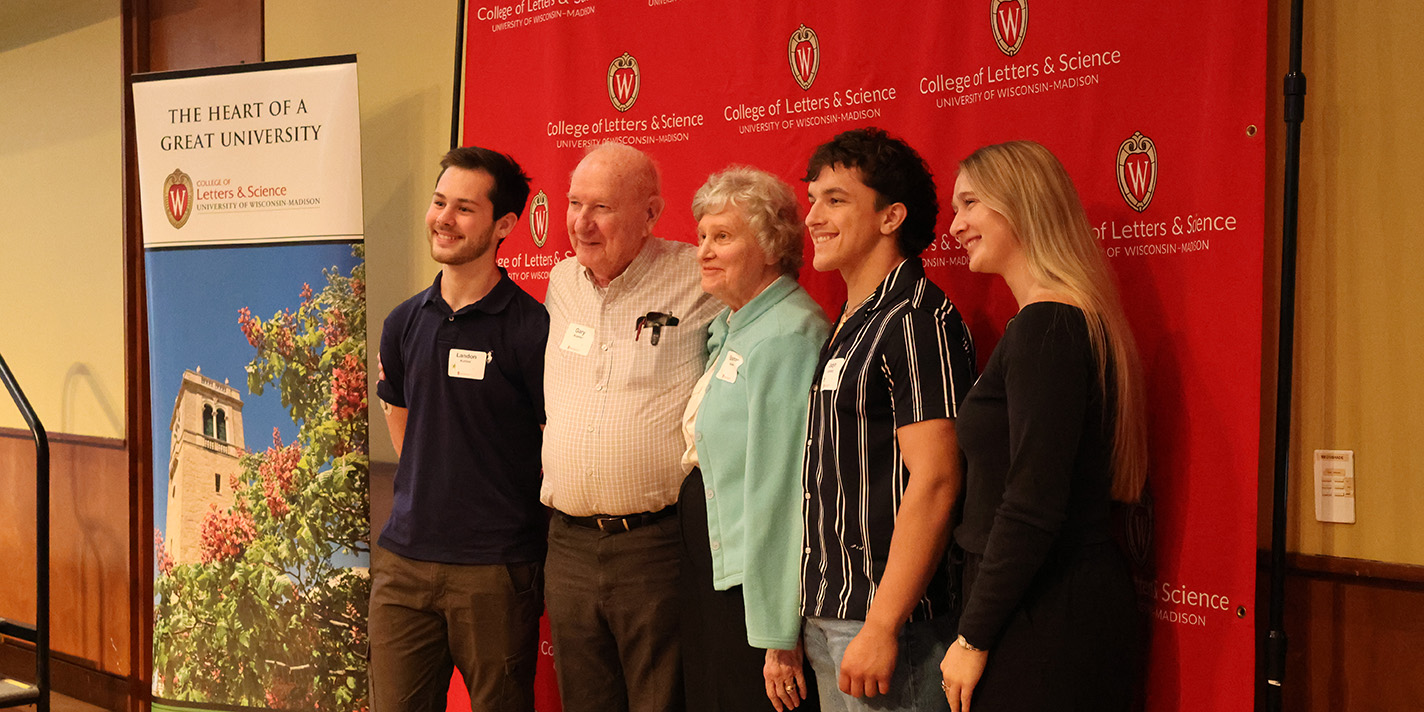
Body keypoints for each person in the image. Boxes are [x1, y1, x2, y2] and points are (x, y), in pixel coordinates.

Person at [939, 140, 1148, 712]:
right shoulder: (1055, 322)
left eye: (970, 203)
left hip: (1044, 612)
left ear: (1022, 203)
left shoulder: (1048, 327)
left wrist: (973, 634)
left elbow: (1031, 501)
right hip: (1040, 601)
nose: (955, 226)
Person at [799, 127, 977, 712]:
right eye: (812, 199)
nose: (814, 217)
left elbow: (936, 480)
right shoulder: (851, 318)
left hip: (887, 625)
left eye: (836, 199)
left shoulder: (915, 319)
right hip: (829, 613)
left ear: (890, 216)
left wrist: (881, 625)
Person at [541, 141, 723, 712]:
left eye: (602, 208)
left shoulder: (697, 277)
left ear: (650, 213)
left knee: (659, 701)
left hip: (654, 545)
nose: (581, 223)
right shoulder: (561, 281)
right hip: (566, 544)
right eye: (574, 203)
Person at [372, 146, 547, 711]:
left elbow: (554, 440)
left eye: (464, 208)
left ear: (504, 226)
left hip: (494, 571)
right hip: (404, 562)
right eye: (439, 201)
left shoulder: (531, 328)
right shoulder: (403, 322)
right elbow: (400, 420)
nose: (443, 218)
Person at [677, 166, 829, 712]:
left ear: (770, 246)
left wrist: (775, 634)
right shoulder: (737, 324)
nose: (704, 252)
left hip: (755, 591)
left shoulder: (789, 332)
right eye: (702, 238)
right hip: (719, 573)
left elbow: (781, 492)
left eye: (723, 237)